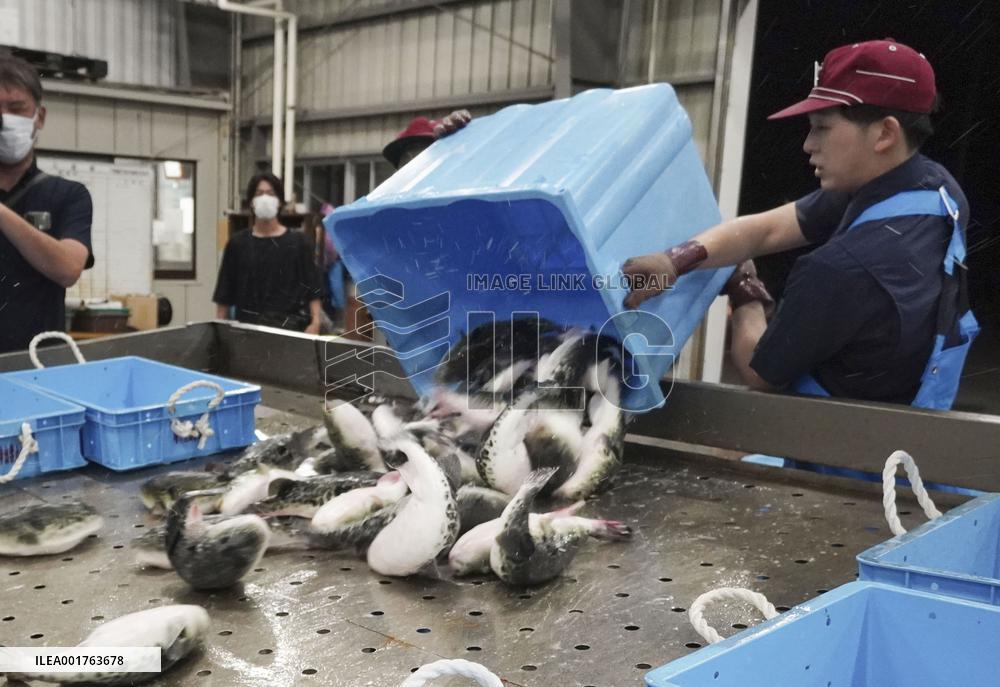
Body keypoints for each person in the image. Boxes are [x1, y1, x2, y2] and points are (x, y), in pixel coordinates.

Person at [622, 39, 977, 411]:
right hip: (914, 415)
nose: (808, 144)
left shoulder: (839, 270)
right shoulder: (939, 192)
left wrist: (746, 292)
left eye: (821, 128)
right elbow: (768, 229)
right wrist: (677, 260)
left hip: (839, 452)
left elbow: (761, 373)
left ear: (885, 134)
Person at [333, 110, 473, 342]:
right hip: (403, 356)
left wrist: (470, 142)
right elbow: (358, 310)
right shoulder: (383, 234)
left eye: (421, 159)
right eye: (406, 164)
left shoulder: (463, 223)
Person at [0, 56, 93, 354]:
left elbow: (68, 268)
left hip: (39, 367)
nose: (4, 119)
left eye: (16, 109)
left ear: (39, 116)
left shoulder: (68, 195)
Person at [213, 172, 323, 333]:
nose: (265, 198)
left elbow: (313, 289)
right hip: (247, 331)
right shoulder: (237, 244)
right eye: (259, 194)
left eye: (271, 194)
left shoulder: (299, 243)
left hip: (290, 331)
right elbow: (224, 293)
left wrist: (316, 322)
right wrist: (219, 331)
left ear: (279, 202)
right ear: (251, 202)